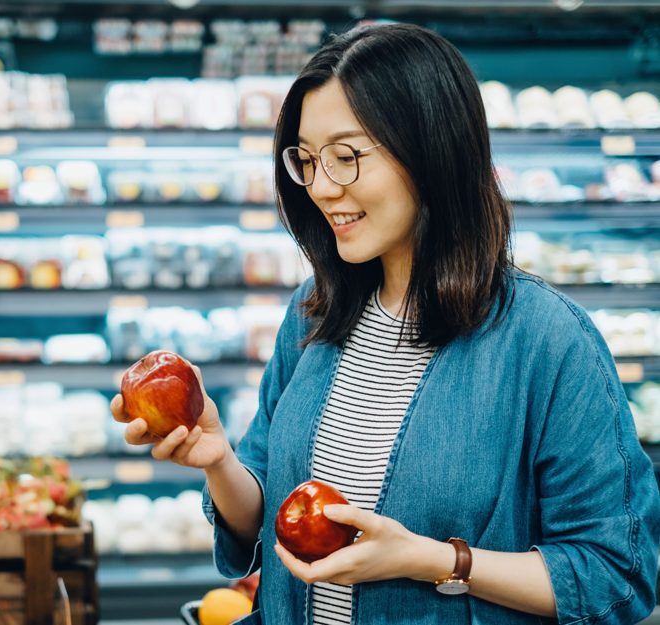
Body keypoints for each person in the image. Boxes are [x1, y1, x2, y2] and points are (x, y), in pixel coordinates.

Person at [110, 23, 660, 625]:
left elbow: (615, 576)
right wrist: (219, 461)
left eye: (346, 157)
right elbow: (265, 520)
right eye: (308, 159)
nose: (321, 187)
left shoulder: (547, 342)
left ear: (433, 150)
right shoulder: (313, 315)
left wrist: (432, 560)